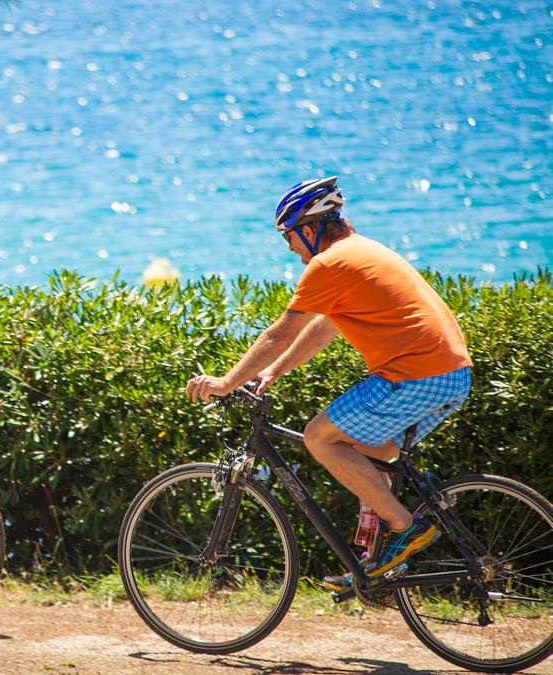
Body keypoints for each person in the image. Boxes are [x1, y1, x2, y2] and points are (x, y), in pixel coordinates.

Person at [186, 176, 472, 589]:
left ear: (308, 229)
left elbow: (278, 334)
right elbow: (324, 327)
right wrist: (274, 371)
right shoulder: (361, 251)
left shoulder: (328, 263)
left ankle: (404, 525)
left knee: (319, 437)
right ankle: (378, 567)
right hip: (450, 376)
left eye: (287, 236)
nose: (289, 248)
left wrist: (226, 383)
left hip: (416, 375)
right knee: (370, 454)